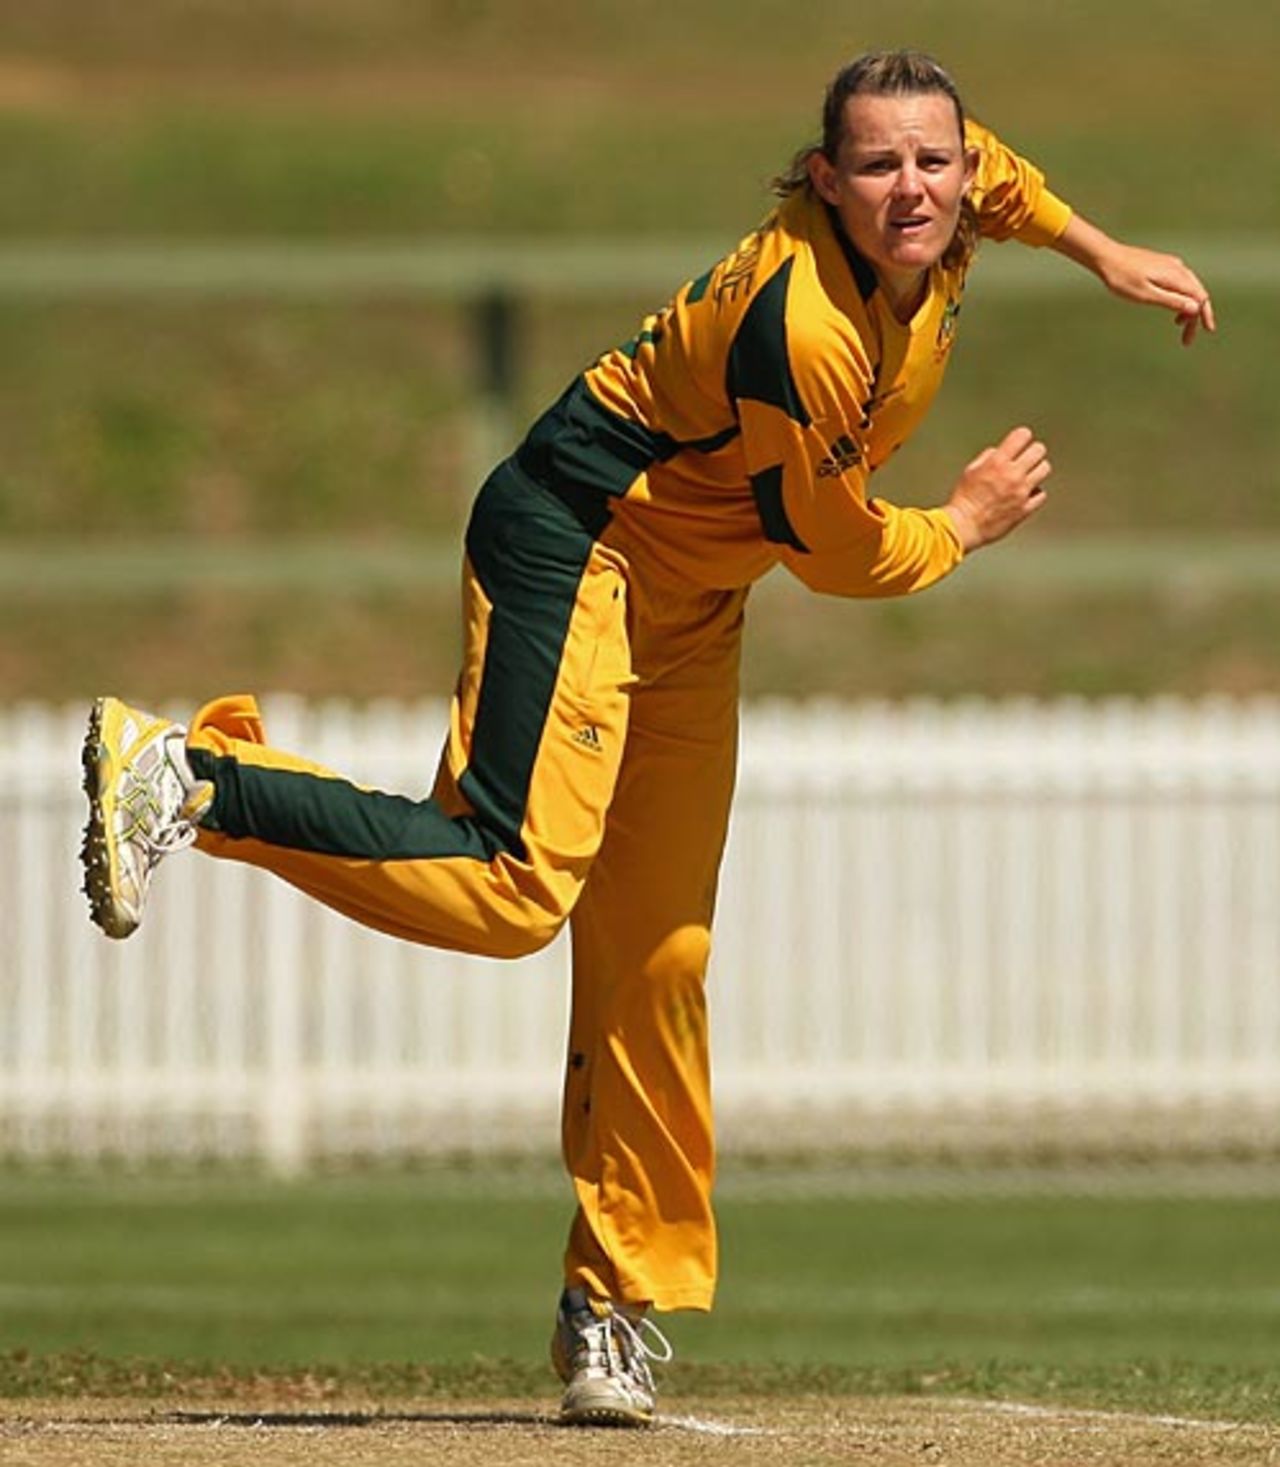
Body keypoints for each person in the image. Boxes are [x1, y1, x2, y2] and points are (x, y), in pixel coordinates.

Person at [80, 50, 1213, 1427]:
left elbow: (1010, 184)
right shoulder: (803, 325)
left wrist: (1104, 252)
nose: (912, 187)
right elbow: (836, 553)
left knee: (661, 954)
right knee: (509, 886)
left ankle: (610, 1301)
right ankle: (191, 777)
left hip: (694, 598)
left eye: (935, 160)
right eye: (877, 165)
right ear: (824, 180)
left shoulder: (960, 206)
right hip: (582, 543)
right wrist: (961, 525)